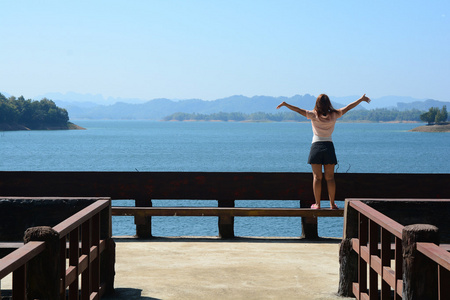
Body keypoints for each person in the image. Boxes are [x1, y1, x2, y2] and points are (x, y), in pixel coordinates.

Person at [276, 94, 371, 209]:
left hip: (316, 147)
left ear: (317, 104)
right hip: (329, 147)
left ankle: (318, 204)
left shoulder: (313, 115)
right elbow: (348, 107)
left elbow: (298, 110)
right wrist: (361, 99)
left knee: (317, 177)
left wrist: (285, 104)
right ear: (328, 103)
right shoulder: (334, 114)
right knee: (330, 178)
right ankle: (332, 204)